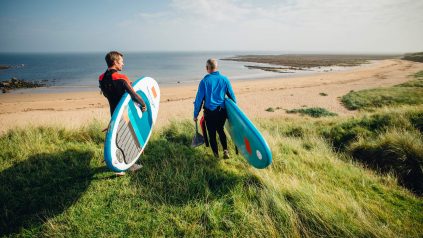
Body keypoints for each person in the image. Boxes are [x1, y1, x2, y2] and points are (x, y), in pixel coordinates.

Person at [99, 51, 146, 174]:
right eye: (121, 61)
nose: (123, 64)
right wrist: (143, 104)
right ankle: (129, 165)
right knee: (129, 139)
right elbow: (134, 95)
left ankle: (118, 166)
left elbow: (105, 93)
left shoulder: (101, 78)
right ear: (115, 62)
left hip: (113, 112)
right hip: (125, 114)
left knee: (118, 138)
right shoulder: (121, 78)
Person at [193, 58, 236, 159]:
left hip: (210, 113)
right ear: (217, 67)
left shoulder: (204, 81)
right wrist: (234, 114)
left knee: (212, 135)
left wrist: (195, 115)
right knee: (220, 130)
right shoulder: (225, 79)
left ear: (207, 68)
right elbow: (232, 97)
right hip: (222, 112)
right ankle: (225, 151)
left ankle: (216, 157)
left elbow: (199, 100)